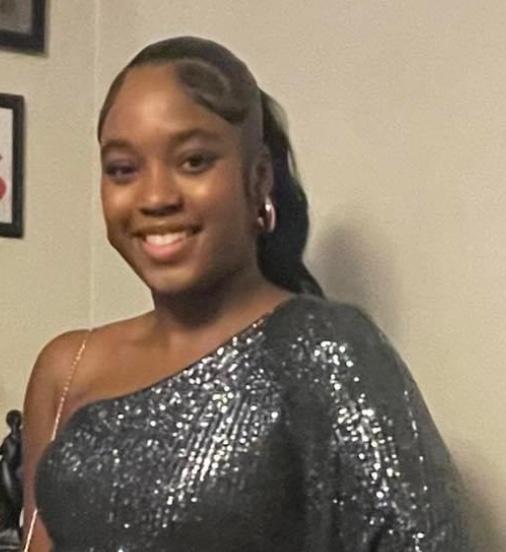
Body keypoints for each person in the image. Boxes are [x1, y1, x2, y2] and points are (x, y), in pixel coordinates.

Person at [22, 36, 472, 551]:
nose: (155, 197)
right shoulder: (68, 367)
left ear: (257, 180)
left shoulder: (324, 348)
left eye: (193, 161)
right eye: (123, 169)